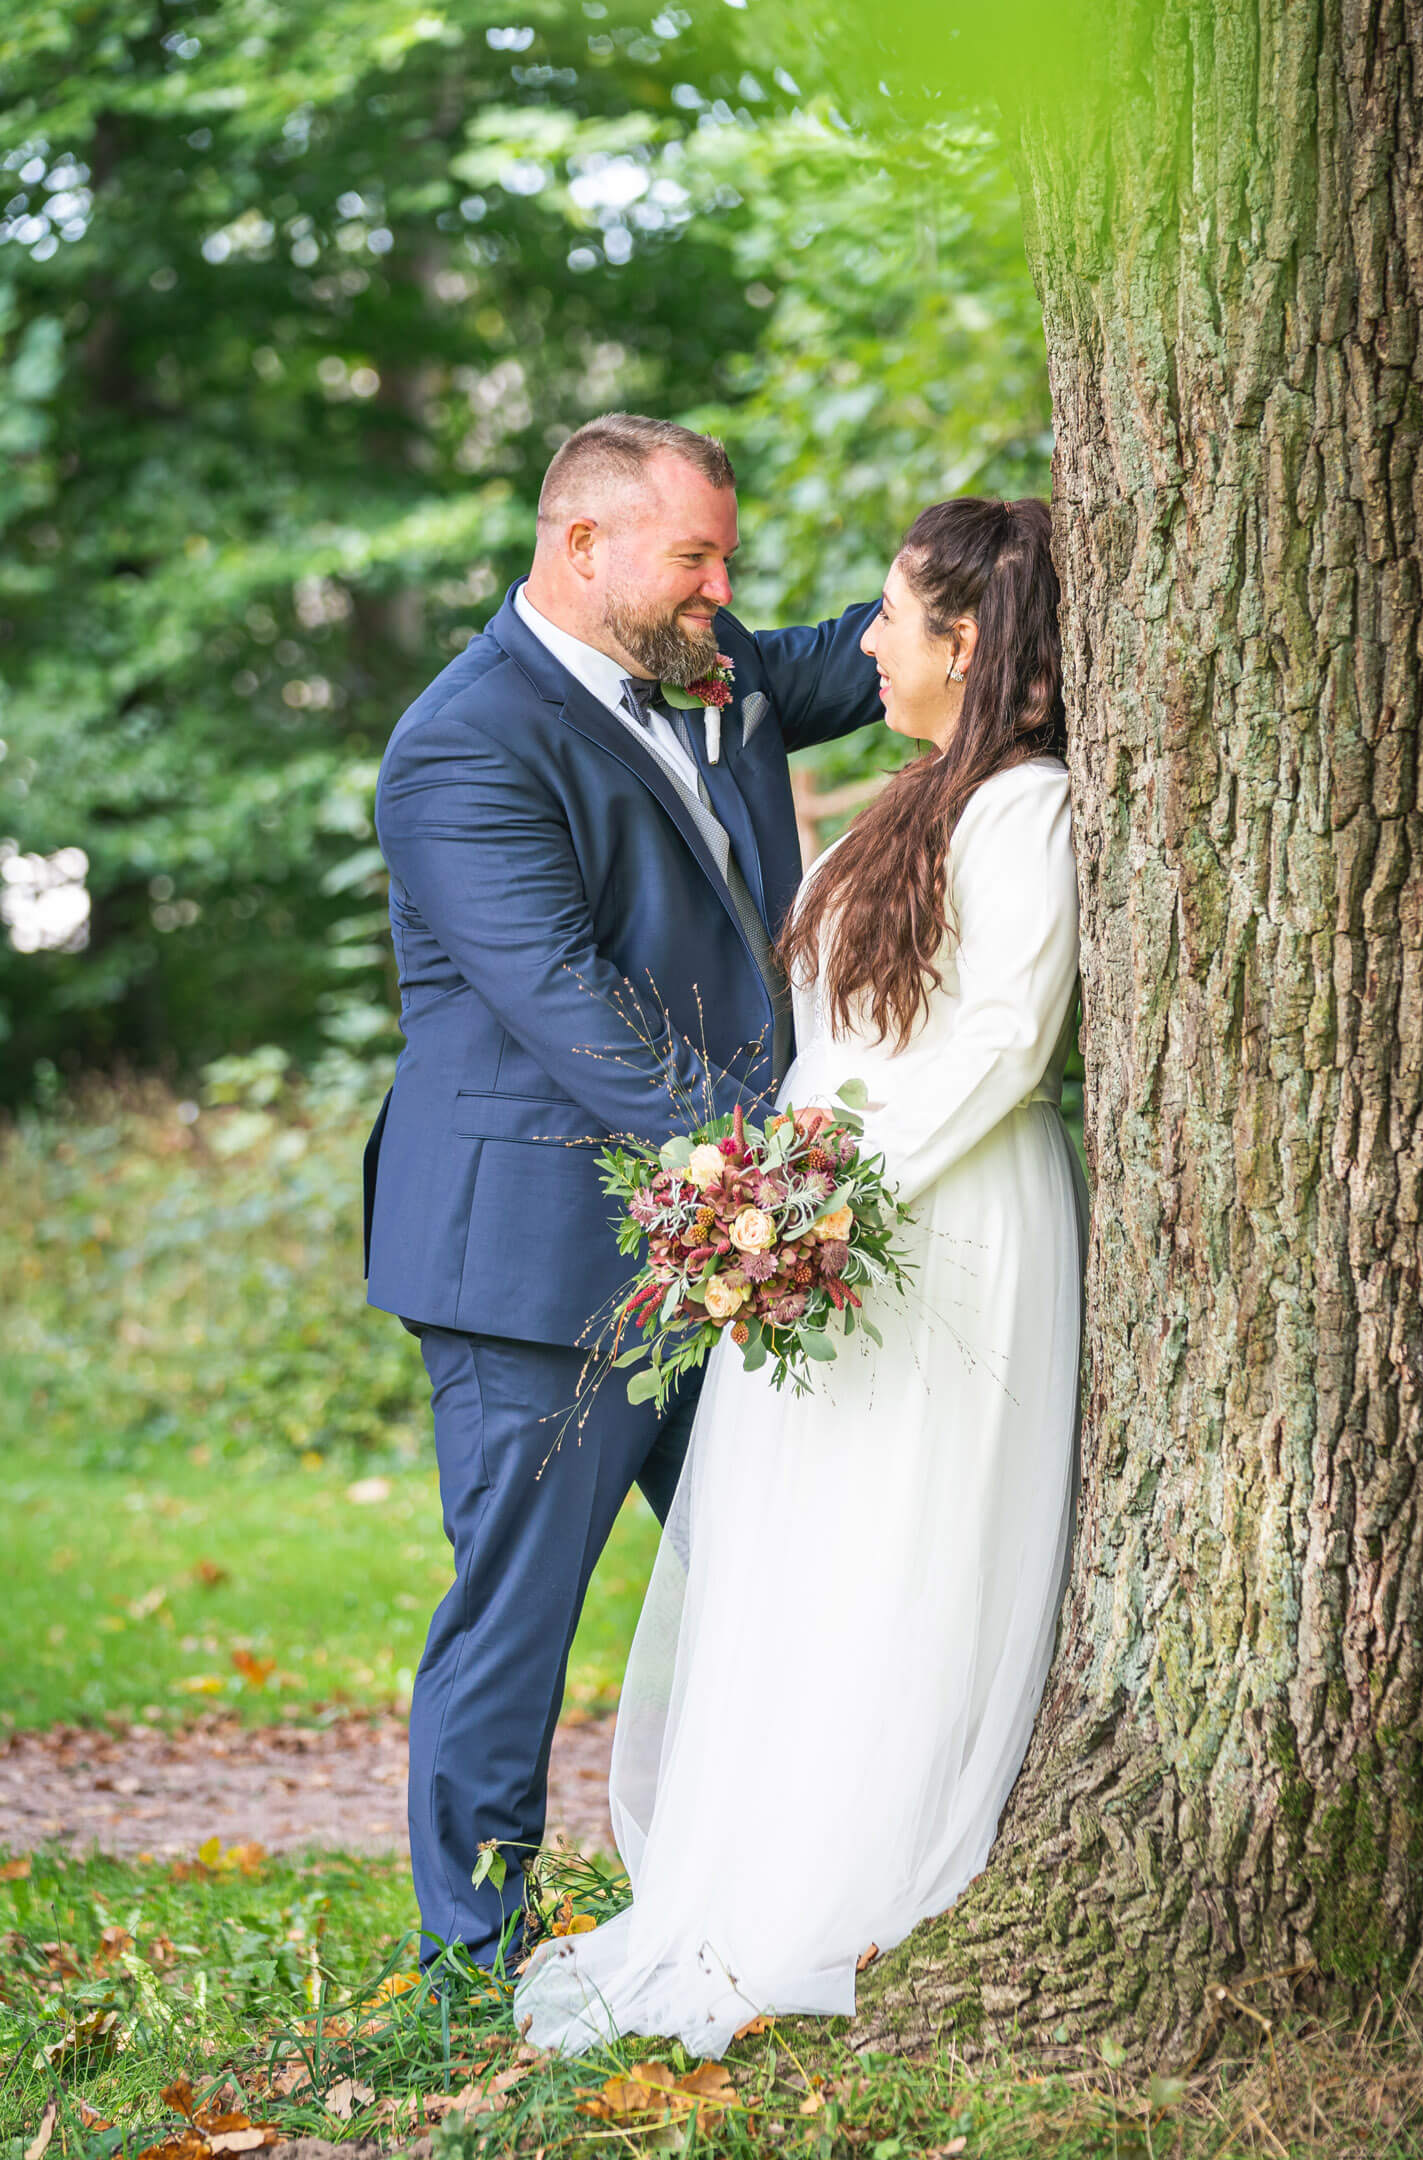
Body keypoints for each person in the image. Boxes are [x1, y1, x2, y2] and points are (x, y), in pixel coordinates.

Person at [515, 495, 1086, 2058]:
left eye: (895, 618)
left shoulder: (1025, 811)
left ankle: (860, 1886)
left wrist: (819, 1195)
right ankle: (760, 1873)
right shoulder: (919, 800)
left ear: (963, 647)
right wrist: (779, 1191)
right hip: (835, 1232)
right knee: (812, 1548)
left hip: (943, 1227)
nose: (869, 642)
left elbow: (999, 1044)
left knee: (902, 1544)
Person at [363, 413, 883, 1975]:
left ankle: (793, 1900)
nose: (723, 588)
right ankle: (472, 1956)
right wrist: (777, 1176)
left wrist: (1047, 540)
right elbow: (571, 1004)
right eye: (695, 556)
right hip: (537, 1263)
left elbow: (895, 647)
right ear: (582, 547)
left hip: (721, 1246)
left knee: (787, 1574)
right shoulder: (464, 742)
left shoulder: (708, 675)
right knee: (516, 1619)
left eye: (726, 555)